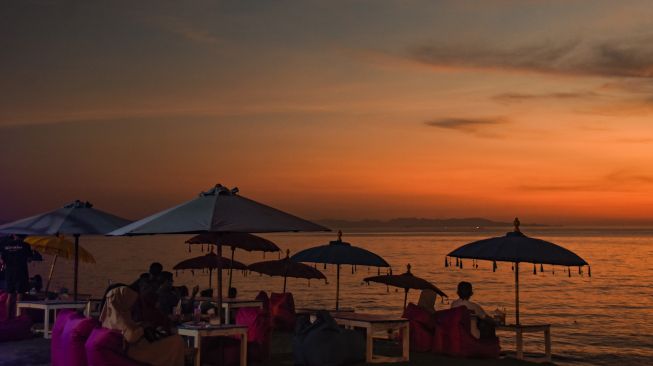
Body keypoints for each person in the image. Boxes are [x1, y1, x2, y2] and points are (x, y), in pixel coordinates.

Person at [100, 285, 185, 366]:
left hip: (135, 349)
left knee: (172, 341)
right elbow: (131, 337)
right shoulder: (119, 318)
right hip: (137, 353)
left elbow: (127, 329)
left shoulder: (112, 318)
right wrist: (143, 327)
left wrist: (140, 325)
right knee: (177, 341)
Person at [0, 235, 32, 317]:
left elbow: (2, 260)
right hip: (21, 272)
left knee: (9, 295)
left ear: (14, 235)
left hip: (9, 273)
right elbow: (29, 259)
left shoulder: (5, 245)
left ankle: (8, 317)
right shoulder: (26, 245)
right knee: (19, 295)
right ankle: (18, 317)